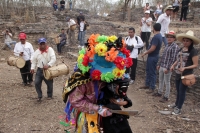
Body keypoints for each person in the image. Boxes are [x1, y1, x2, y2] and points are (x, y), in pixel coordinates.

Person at [62, 34, 133, 133]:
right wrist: (97, 108)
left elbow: (118, 89)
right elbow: (76, 101)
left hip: (104, 108)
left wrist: (122, 100)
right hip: (85, 110)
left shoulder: (114, 73)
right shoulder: (81, 79)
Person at [169, 30, 199, 115]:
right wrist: (173, 65)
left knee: (182, 91)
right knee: (178, 90)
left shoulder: (193, 51)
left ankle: (179, 107)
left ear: (191, 42)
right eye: (184, 40)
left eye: (187, 41)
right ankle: (176, 104)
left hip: (186, 74)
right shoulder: (181, 49)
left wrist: (185, 68)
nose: (185, 42)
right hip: (178, 73)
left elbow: (195, 64)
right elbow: (178, 59)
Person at [153, 31, 179, 102]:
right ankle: (159, 92)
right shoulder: (167, 45)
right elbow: (163, 56)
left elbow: (173, 59)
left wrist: (168, 68)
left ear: (174, 38)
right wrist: (159, 64)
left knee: (167, 81)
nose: (169, 38)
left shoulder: (175, 47)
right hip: (162, 65)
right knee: (161, 80)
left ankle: (166, 96)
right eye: (168, 37)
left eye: (171, 37)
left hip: (167, 66)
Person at [140, 23, 162, 93]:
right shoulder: (159, 36)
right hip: (153, 56)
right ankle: (147, 84)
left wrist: (145, 53)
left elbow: (152, 48)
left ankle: (152, 87)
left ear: (154, 28)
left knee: (152, 72)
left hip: (153, 56)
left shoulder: (156, 37)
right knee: (148, 70)